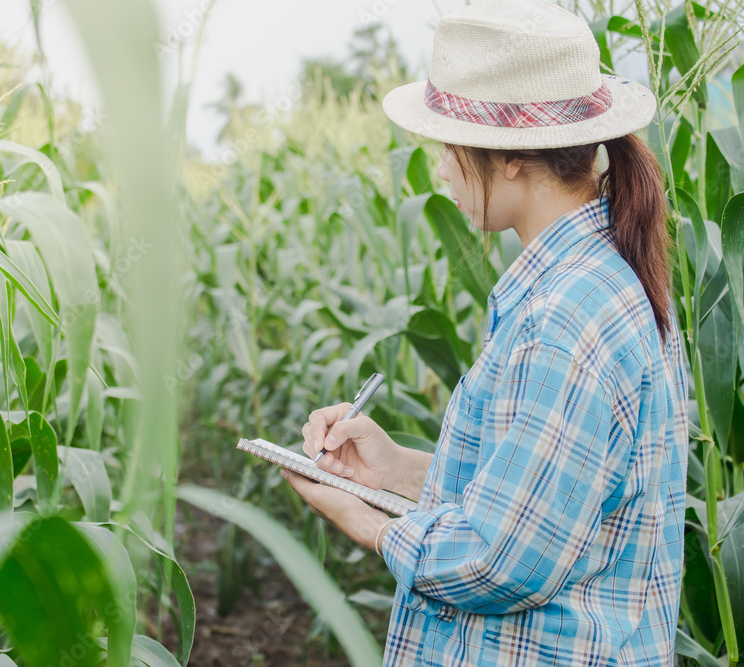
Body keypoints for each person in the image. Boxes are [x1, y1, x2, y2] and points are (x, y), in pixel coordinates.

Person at [279, 0, 691, 664]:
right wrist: (397, 471)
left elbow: (499, 559)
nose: (440, 166)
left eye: (450, 141)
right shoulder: (589, 282)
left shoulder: (567, 318)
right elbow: (546, 501)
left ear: (508, 158)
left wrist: (366, 522)